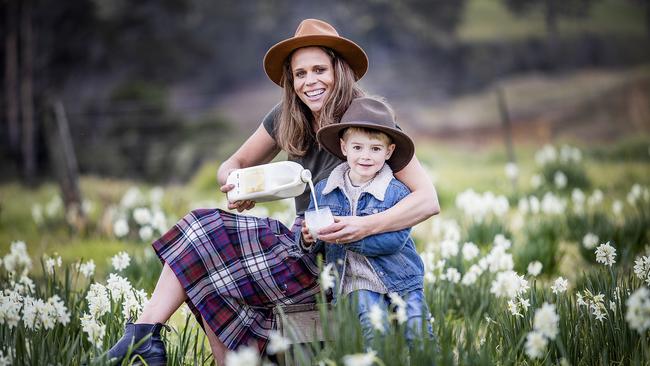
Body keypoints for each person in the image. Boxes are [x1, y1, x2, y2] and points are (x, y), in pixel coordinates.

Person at [107, 18, 439, 366]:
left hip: (344, 257)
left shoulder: (366, 118)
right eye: (300, 73)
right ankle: (146, 334)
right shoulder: (287, 115)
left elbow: (427, 200)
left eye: (319, 69)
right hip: (305, 239)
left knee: (204, 240)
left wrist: (365, 226)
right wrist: (236, 184)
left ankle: (143, 337)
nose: (310, 82)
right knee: (202, 234)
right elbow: (233, 162)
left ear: (338, 71)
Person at [300, 96, 432, 347]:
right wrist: (308, 239)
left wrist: (347, 237)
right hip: (356, 284)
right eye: (357, 147)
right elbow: (318, 242)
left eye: (375, 148)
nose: (366, 156)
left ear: (389, 151)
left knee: (419, 335)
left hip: (401, 278)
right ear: (343, 148)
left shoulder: (396, 191)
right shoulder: (324, 191)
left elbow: (394, 241)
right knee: (375, 335)